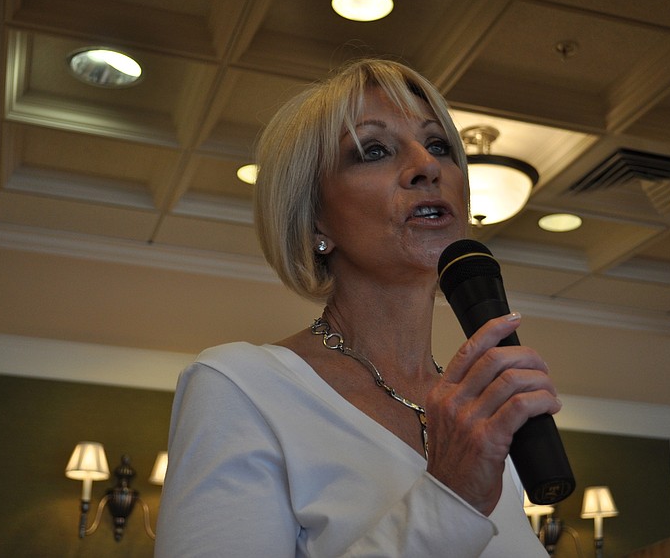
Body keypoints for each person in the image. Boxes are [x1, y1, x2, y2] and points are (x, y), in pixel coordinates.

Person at [155, 58, 560, 557]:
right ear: (314, 217)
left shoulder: (475, 414)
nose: (427, 167)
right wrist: (449, 498)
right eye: (373, 150)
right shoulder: (240, 385)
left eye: (438, 145)